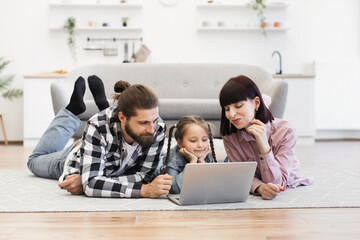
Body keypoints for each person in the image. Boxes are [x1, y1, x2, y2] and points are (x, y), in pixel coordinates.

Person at [27, 75, 173, 198]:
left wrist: (99, 182)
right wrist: (143, 190)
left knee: (107, 130)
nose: (151, 129)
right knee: (34, 160)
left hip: (104, 152)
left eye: (154, 121)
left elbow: (144, 176)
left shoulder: (157, 127)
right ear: (122, 117)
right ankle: (71, 111)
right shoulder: (97, 125)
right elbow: (91, 184)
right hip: (77, 157)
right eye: (143, 123)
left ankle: (104, 106)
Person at [219, 75, 313, 200]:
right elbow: (240, 176)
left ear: (256, 102)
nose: (231, 114)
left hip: (282, 164)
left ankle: (264, 101)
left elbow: (277, 183)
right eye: (226, 109)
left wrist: (264, 145)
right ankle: (263, 101)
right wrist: (259, 187)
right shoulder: (230, 135)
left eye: (238, 106)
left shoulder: (286, 131)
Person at [158, 115, 217, 194]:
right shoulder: (172, 159)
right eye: (193, 141)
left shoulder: (206, 155)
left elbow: (215, 184)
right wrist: (192, 162)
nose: (200, 145)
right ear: (180, 143)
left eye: (204, 139)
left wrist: (202, 162)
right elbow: (176, 189)